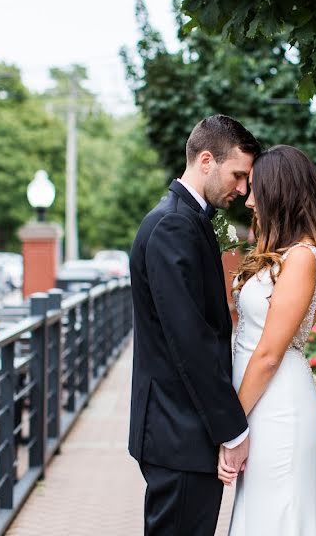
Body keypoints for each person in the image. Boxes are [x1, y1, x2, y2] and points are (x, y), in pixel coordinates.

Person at [129, 115, 261, 535]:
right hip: (179, 430)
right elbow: (191, 340)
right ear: (207, 160)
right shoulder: (174, 224)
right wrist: (234, 429)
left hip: (181, 428)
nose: (242, 189)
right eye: (238, 175)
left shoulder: (189, 218)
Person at [219, 144, 316, 536]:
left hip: (278, 406)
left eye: (256, 188)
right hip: (260, 402)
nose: (249, 200)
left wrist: (232, 425)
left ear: (280, 191)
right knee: (262, 514)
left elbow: (269, 355)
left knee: (278, 517)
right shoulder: (279, 253)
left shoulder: (303, 258)